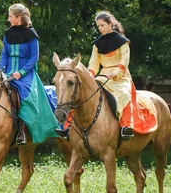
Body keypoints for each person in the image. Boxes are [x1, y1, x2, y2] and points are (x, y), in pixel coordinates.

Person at [56, 10, 153, 140]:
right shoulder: (97, 44)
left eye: (102, 25)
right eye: (98, 26)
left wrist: (116, 72)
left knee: (124, 95)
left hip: (121, 77)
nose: (100, 28)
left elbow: (125, 60)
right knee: (79, 94)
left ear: (110, 24)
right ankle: (68, 128)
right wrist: (89, 76)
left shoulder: (123, 42)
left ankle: (126, 127)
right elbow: (94, 64)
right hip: (103, 76)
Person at [0, 3, 59, 145]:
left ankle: (23, 131)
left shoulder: (31, 35)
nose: (8, 19)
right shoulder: (8, 34)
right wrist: (1, 70)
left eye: (11, 16)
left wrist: (21, 72)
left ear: (19, 18)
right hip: (8, 72)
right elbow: (4, 54)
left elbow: (34, 58)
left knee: (26, 98)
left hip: (26, 74)